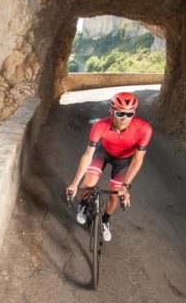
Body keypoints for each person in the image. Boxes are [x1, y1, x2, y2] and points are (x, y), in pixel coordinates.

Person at [65, 92, 152, 242]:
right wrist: (75, 183)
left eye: (130, 114)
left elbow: (138, 160)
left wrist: (126, 186)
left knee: (115, 195)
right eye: (120, 113)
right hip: (103, 153)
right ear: (111, 111)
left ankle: (105, 221)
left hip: (123, 160)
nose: (125, 118)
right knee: (88, 183)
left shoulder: (144, 129)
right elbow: (88, 154)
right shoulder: (100, 126)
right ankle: (83, 205)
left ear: (134, 113)